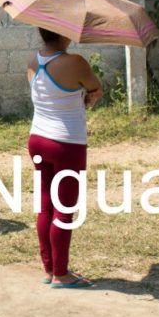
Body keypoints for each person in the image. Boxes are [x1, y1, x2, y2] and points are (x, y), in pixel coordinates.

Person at [27, 28, 103, 289]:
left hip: (37, 138)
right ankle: (61, 273)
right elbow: (95, 89)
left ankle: (49, 269)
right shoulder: (75, 62)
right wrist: (87, 100)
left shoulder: (32, 60)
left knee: (45, 205)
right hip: (66, 142)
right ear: (64, 32)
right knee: (64, 209)